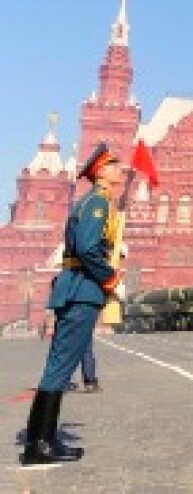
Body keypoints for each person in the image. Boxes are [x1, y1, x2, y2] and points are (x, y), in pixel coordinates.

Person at [21, 142, 123, 466]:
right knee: (61, 366)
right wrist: (109, 276)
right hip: (82, 291)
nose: (119, 169)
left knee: (59, 365)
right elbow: (88, 247)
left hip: (77, 289)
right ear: (101, 172)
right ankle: (39, 444)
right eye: (114, 165)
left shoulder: (93, 201)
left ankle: (43, 438)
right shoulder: (98, 203)